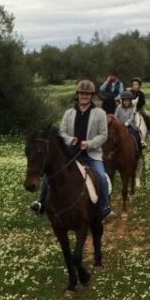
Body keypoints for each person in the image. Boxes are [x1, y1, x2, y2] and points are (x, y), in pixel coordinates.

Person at [30, 80, 112, 220]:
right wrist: (70, 140)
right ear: (77, 94)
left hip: (91, 154)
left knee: (101, 177)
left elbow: (104, 135)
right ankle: (41, 203)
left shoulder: (100, 113)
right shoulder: (69, 113)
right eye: (82, 93)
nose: (84, 96)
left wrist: (89, 144)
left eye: (87, 94)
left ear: (91, 95)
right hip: (70, 154)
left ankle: (105, 207)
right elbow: (62, 132)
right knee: (50, 175)